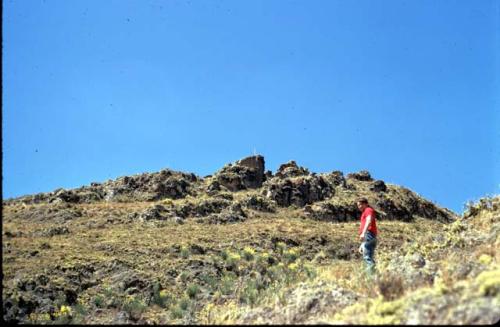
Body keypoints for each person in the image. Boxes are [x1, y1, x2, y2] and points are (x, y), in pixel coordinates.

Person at [357, 197, 378, 274]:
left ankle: (371, 277)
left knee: (367, 257)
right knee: (369, 257)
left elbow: (369, 221)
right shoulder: (365, 212)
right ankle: (375, 276)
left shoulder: (368, 210)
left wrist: (363, 233)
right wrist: (362, 244)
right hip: (369, 236)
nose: (359, 207)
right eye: (358, 205)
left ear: (366, 204)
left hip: (368, 235)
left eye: (360, 204)